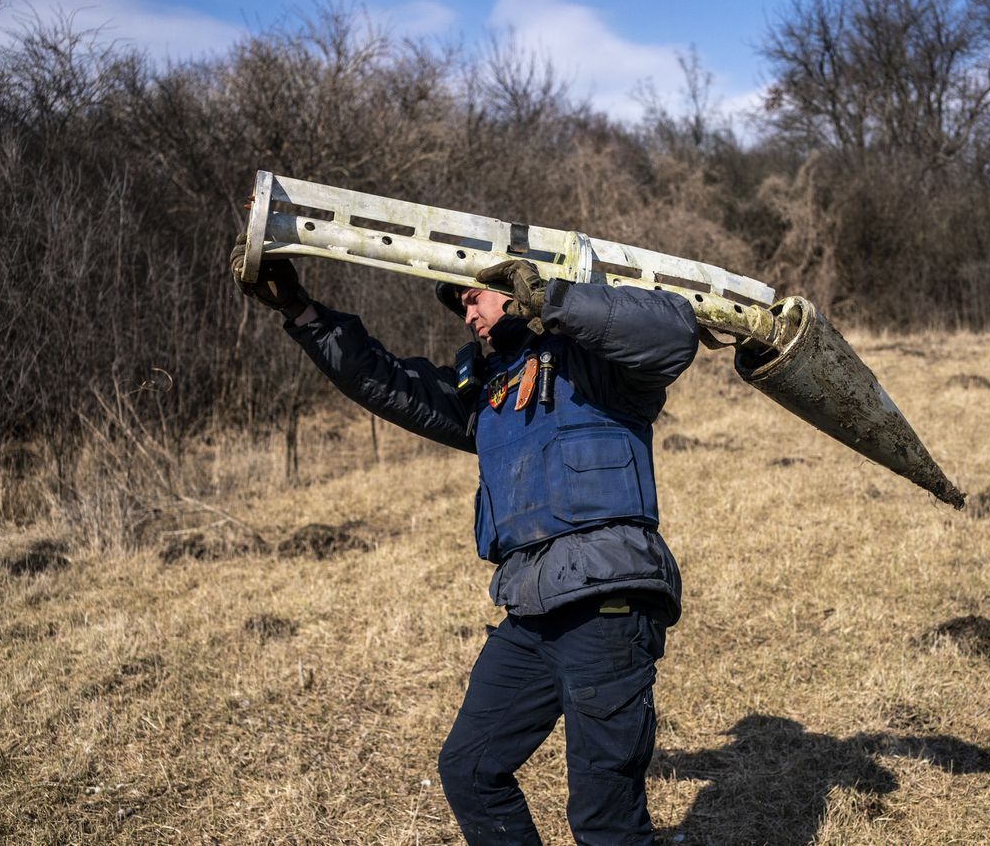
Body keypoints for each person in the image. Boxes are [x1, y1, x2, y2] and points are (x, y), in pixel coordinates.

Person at [230, 242, 699, 845]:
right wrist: (300, 311)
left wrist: (552, 300)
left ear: (512, 284)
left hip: (607, 604)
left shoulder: (601, 365)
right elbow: (385, 380)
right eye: (459, 305)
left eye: (472, 295)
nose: (466, 315)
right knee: (470, 769)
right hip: (531, 613)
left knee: (605, 819)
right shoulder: (489, 391)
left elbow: (674, 331)